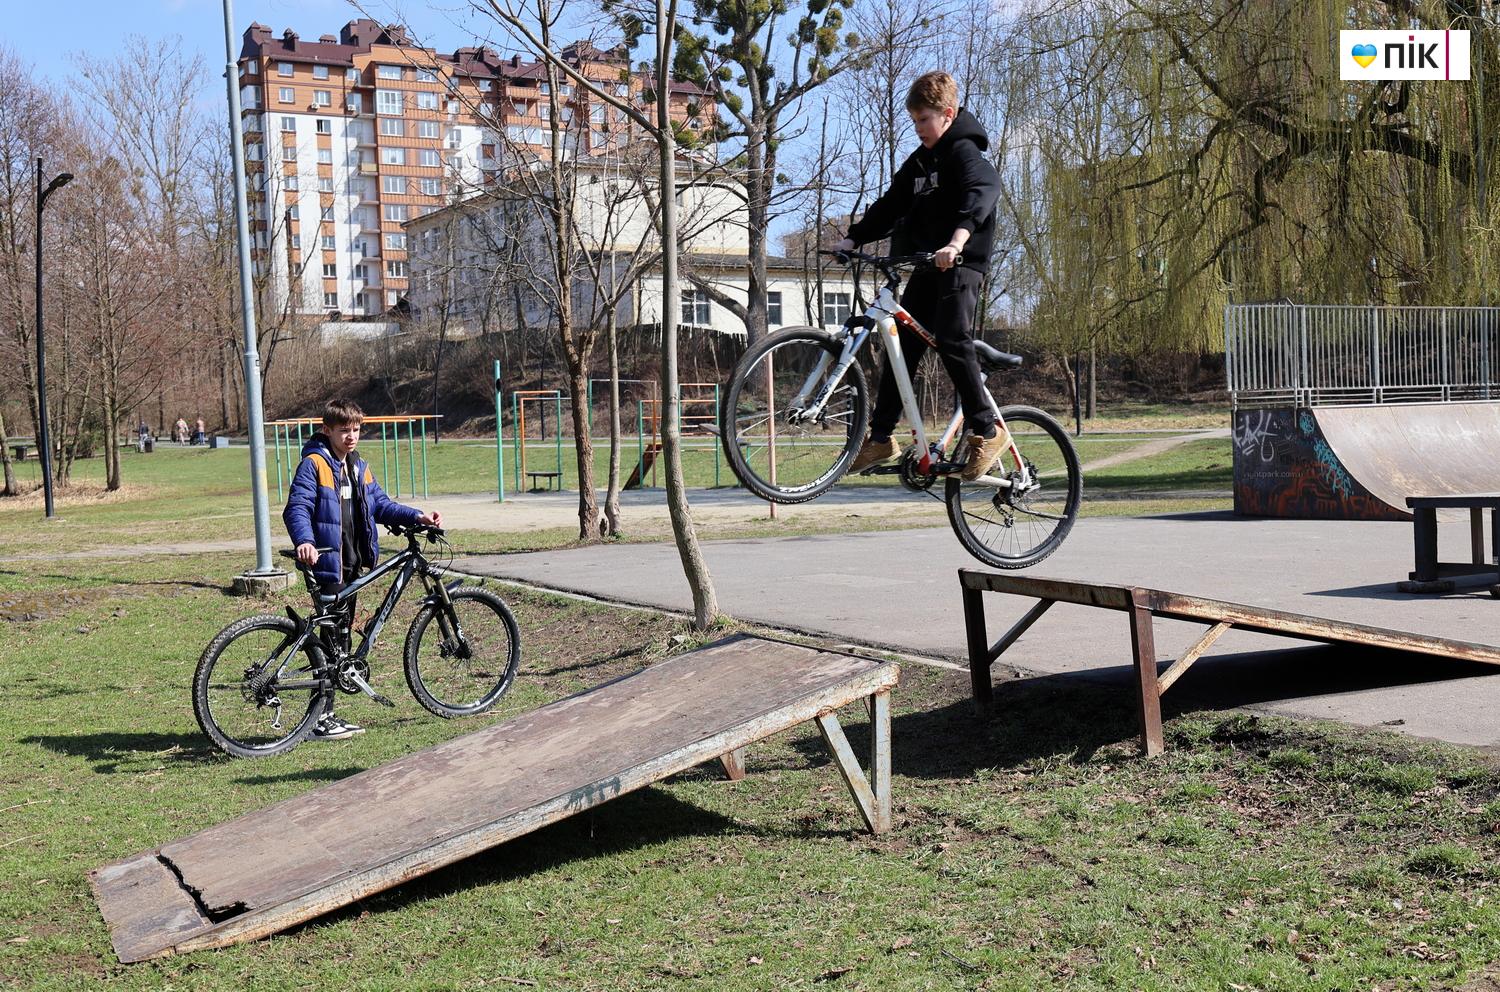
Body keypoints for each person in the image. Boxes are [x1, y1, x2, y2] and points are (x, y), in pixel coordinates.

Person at [834, 70, 1006, 482]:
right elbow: (891, 203)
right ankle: (880, 438)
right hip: (930, 264)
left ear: (948, 114)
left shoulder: (965, 153)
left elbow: (983, 193)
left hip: (961, 264)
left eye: (925, 120)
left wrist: (957, 242)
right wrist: (854, 239)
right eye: (914, 121)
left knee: (951, 338)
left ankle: (986, 429)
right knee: (903, 347)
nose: (919, 129)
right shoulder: (920, 161)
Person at [283, 398, 443, 740]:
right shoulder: (314, 465)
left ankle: (323, 715)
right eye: (344, 431)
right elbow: (297, 506)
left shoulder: (357, 466)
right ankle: (321, 719)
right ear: (326, 431)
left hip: (353, 565)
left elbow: (380, 505)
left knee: (337, 642)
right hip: (327, 562)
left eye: (356, 430)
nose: (351, 436)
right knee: (330, 643)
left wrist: (417, 516)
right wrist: (304, 541)